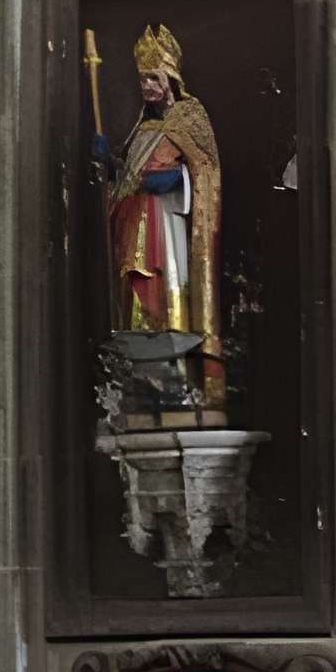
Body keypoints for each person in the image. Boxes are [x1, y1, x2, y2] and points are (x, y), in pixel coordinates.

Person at [109, 23, 224, 409]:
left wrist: (177, 179)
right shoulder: (140, 130)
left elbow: (205, 171)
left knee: (166, 282)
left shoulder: (190, 117)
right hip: (134, 222)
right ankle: (143, 379)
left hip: (168, 222)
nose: (146, 86)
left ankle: (179, 377)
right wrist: (107, 167)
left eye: (153, 78)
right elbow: (124, 181)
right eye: (142, 79)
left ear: (170, 78)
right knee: (137, 286)